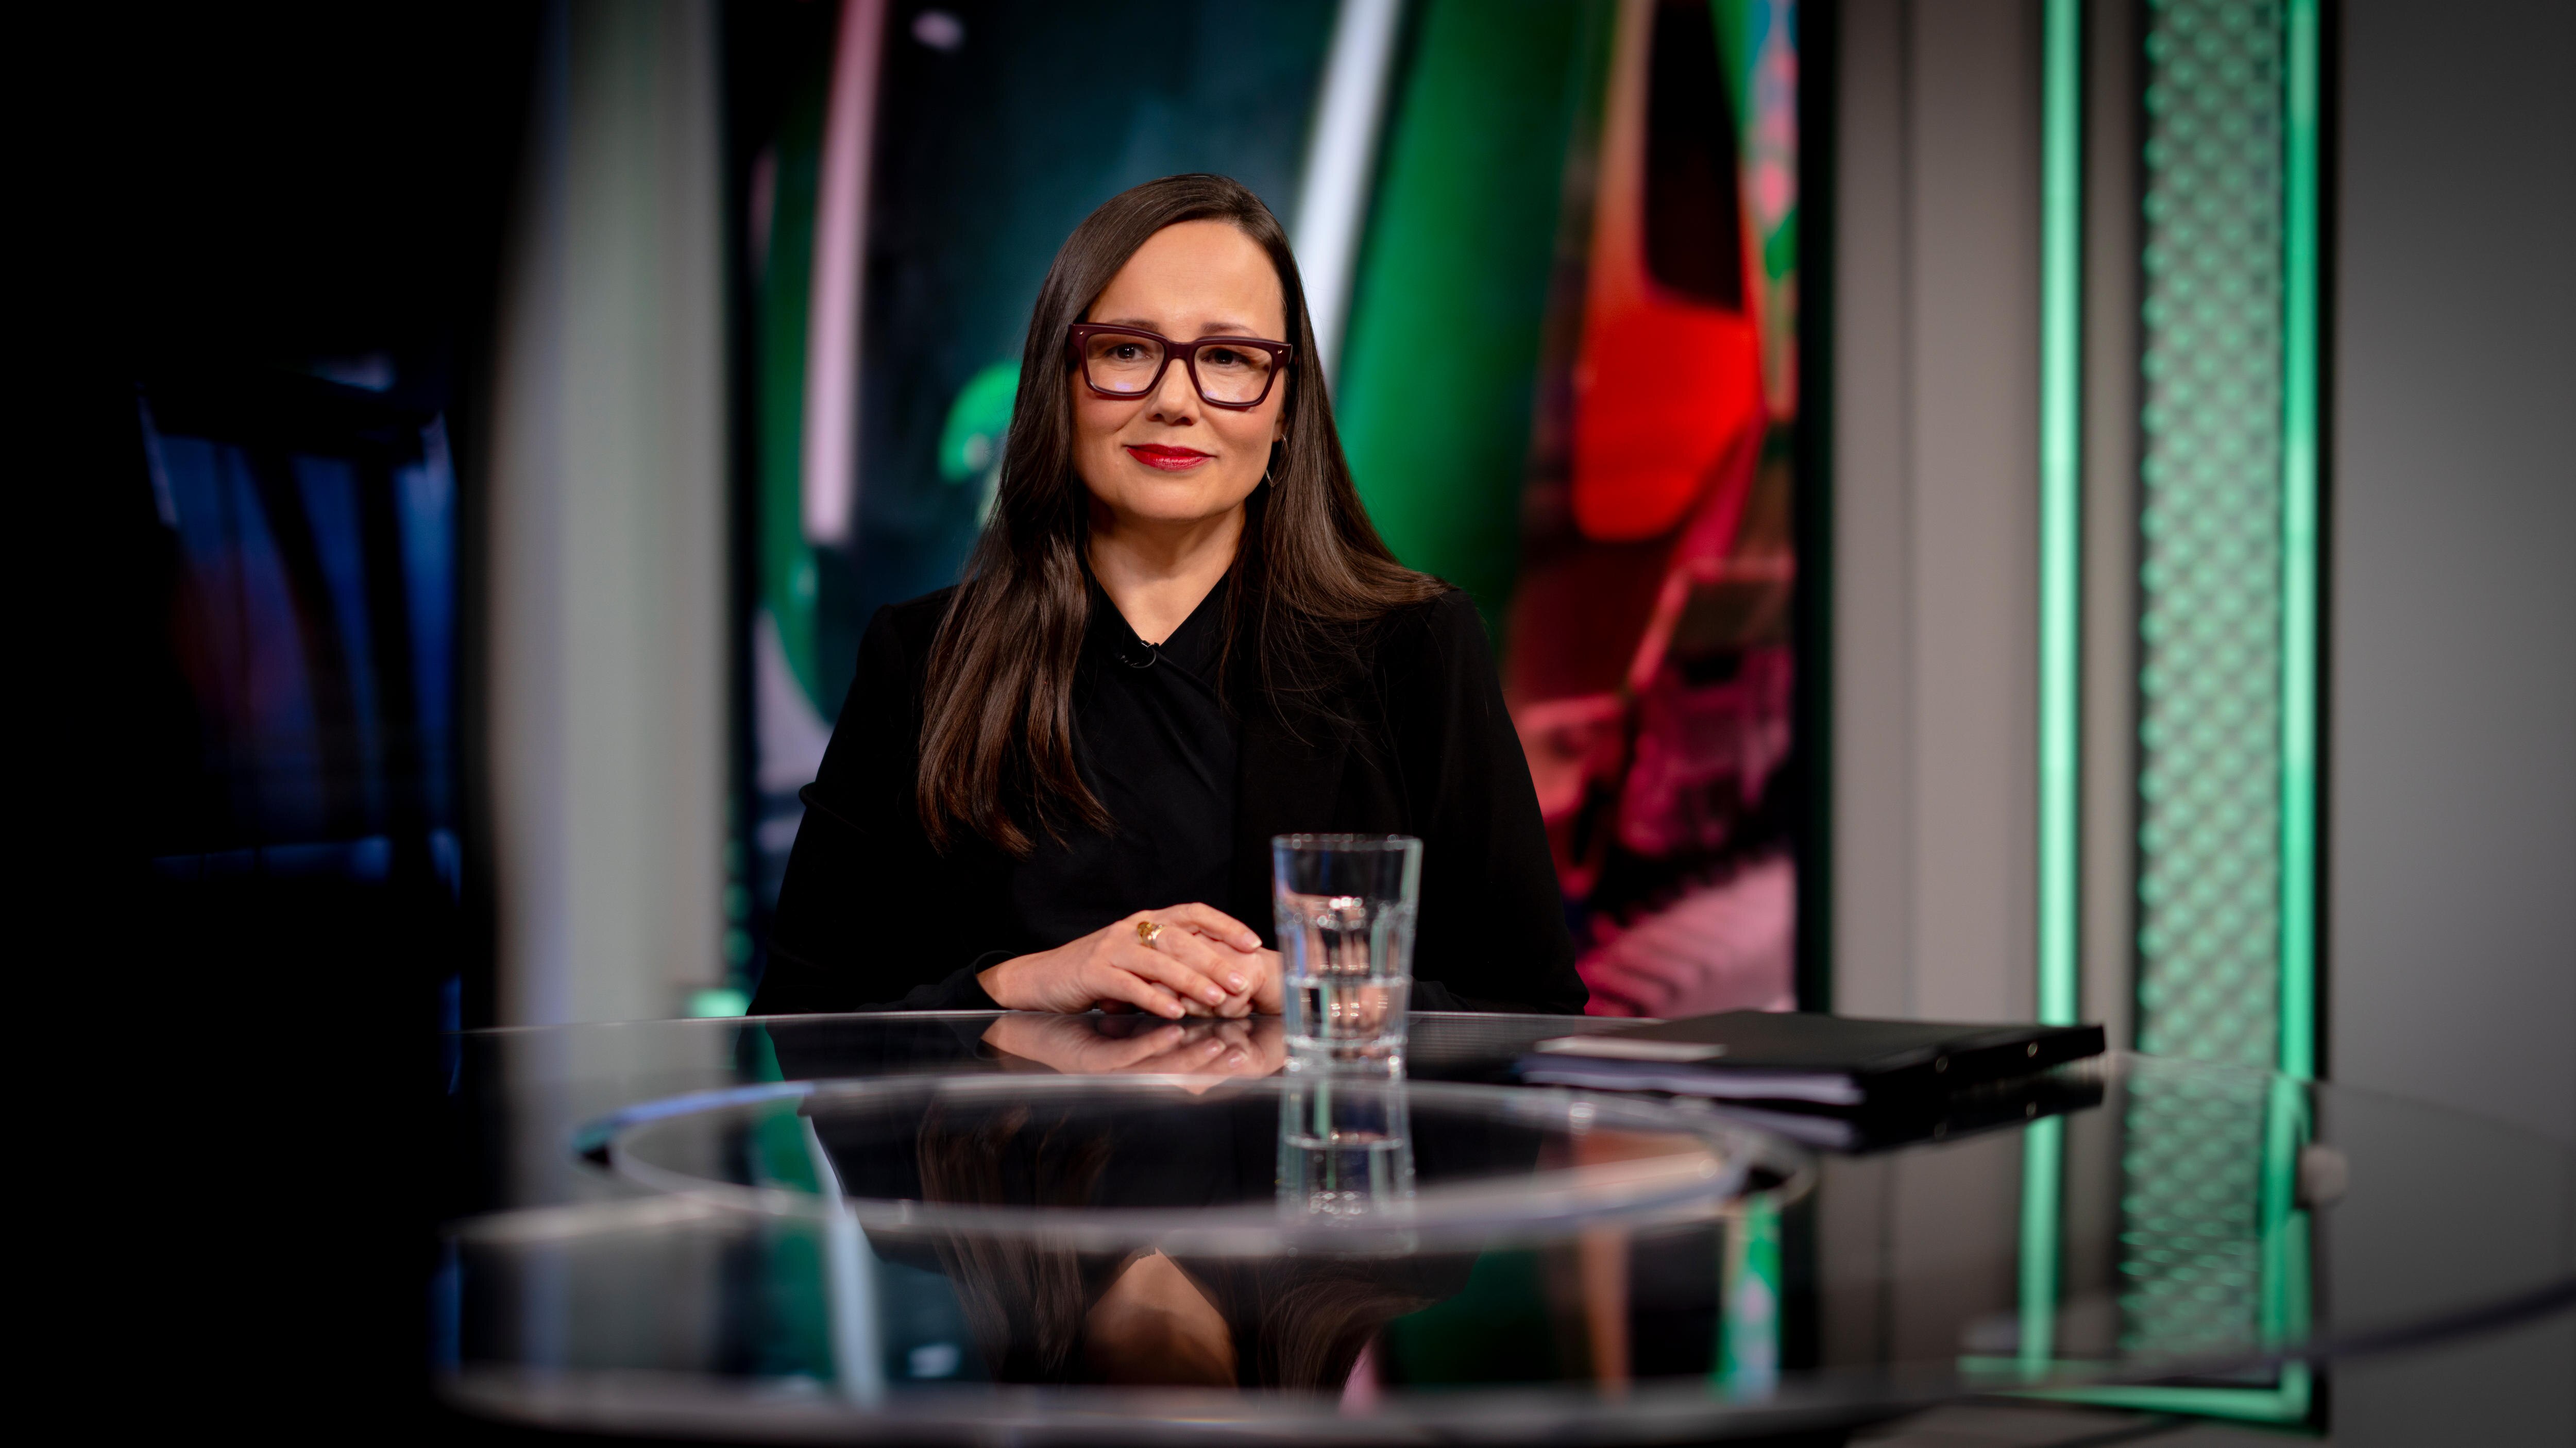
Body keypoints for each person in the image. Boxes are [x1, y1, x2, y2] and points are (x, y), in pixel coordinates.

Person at [753, 174, 1583, 1018]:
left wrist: (1316, 997)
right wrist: (1016, 987)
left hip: (1303, 1153)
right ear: (1060, 379)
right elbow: (796, 1025)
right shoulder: (921, 662)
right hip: (1005, 1153)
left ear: (1287, 402)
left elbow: (1532, 1008)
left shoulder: (1416, 649)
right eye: (1126, 351)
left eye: (1228, 358)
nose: (1175, 402)